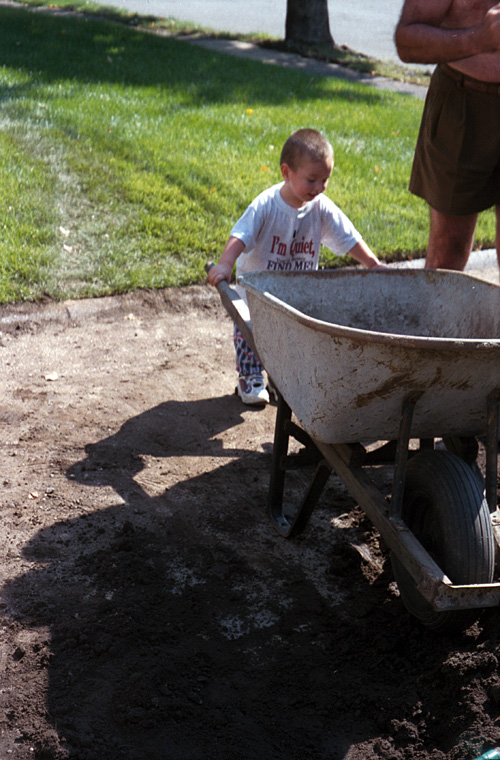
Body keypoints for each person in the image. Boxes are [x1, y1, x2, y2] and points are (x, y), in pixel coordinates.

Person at [208, 128, 386, 405]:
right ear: (286, 172)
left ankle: (283, 383)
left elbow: (347, 237)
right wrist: (225, 264)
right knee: (250, 334)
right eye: (312, 180)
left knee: (292, 343)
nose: (318, 188)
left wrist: (373, 264)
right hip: (256, 294)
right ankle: (251, 377)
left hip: (294, 295)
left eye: (325, 180)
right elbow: (240, 235)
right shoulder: (266, 205)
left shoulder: (321, 207)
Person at [395, 1, 500, 271]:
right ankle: (437, 314)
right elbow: (407, 41)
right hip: (463, 101)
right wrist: (478, 39)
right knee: (447, 253)